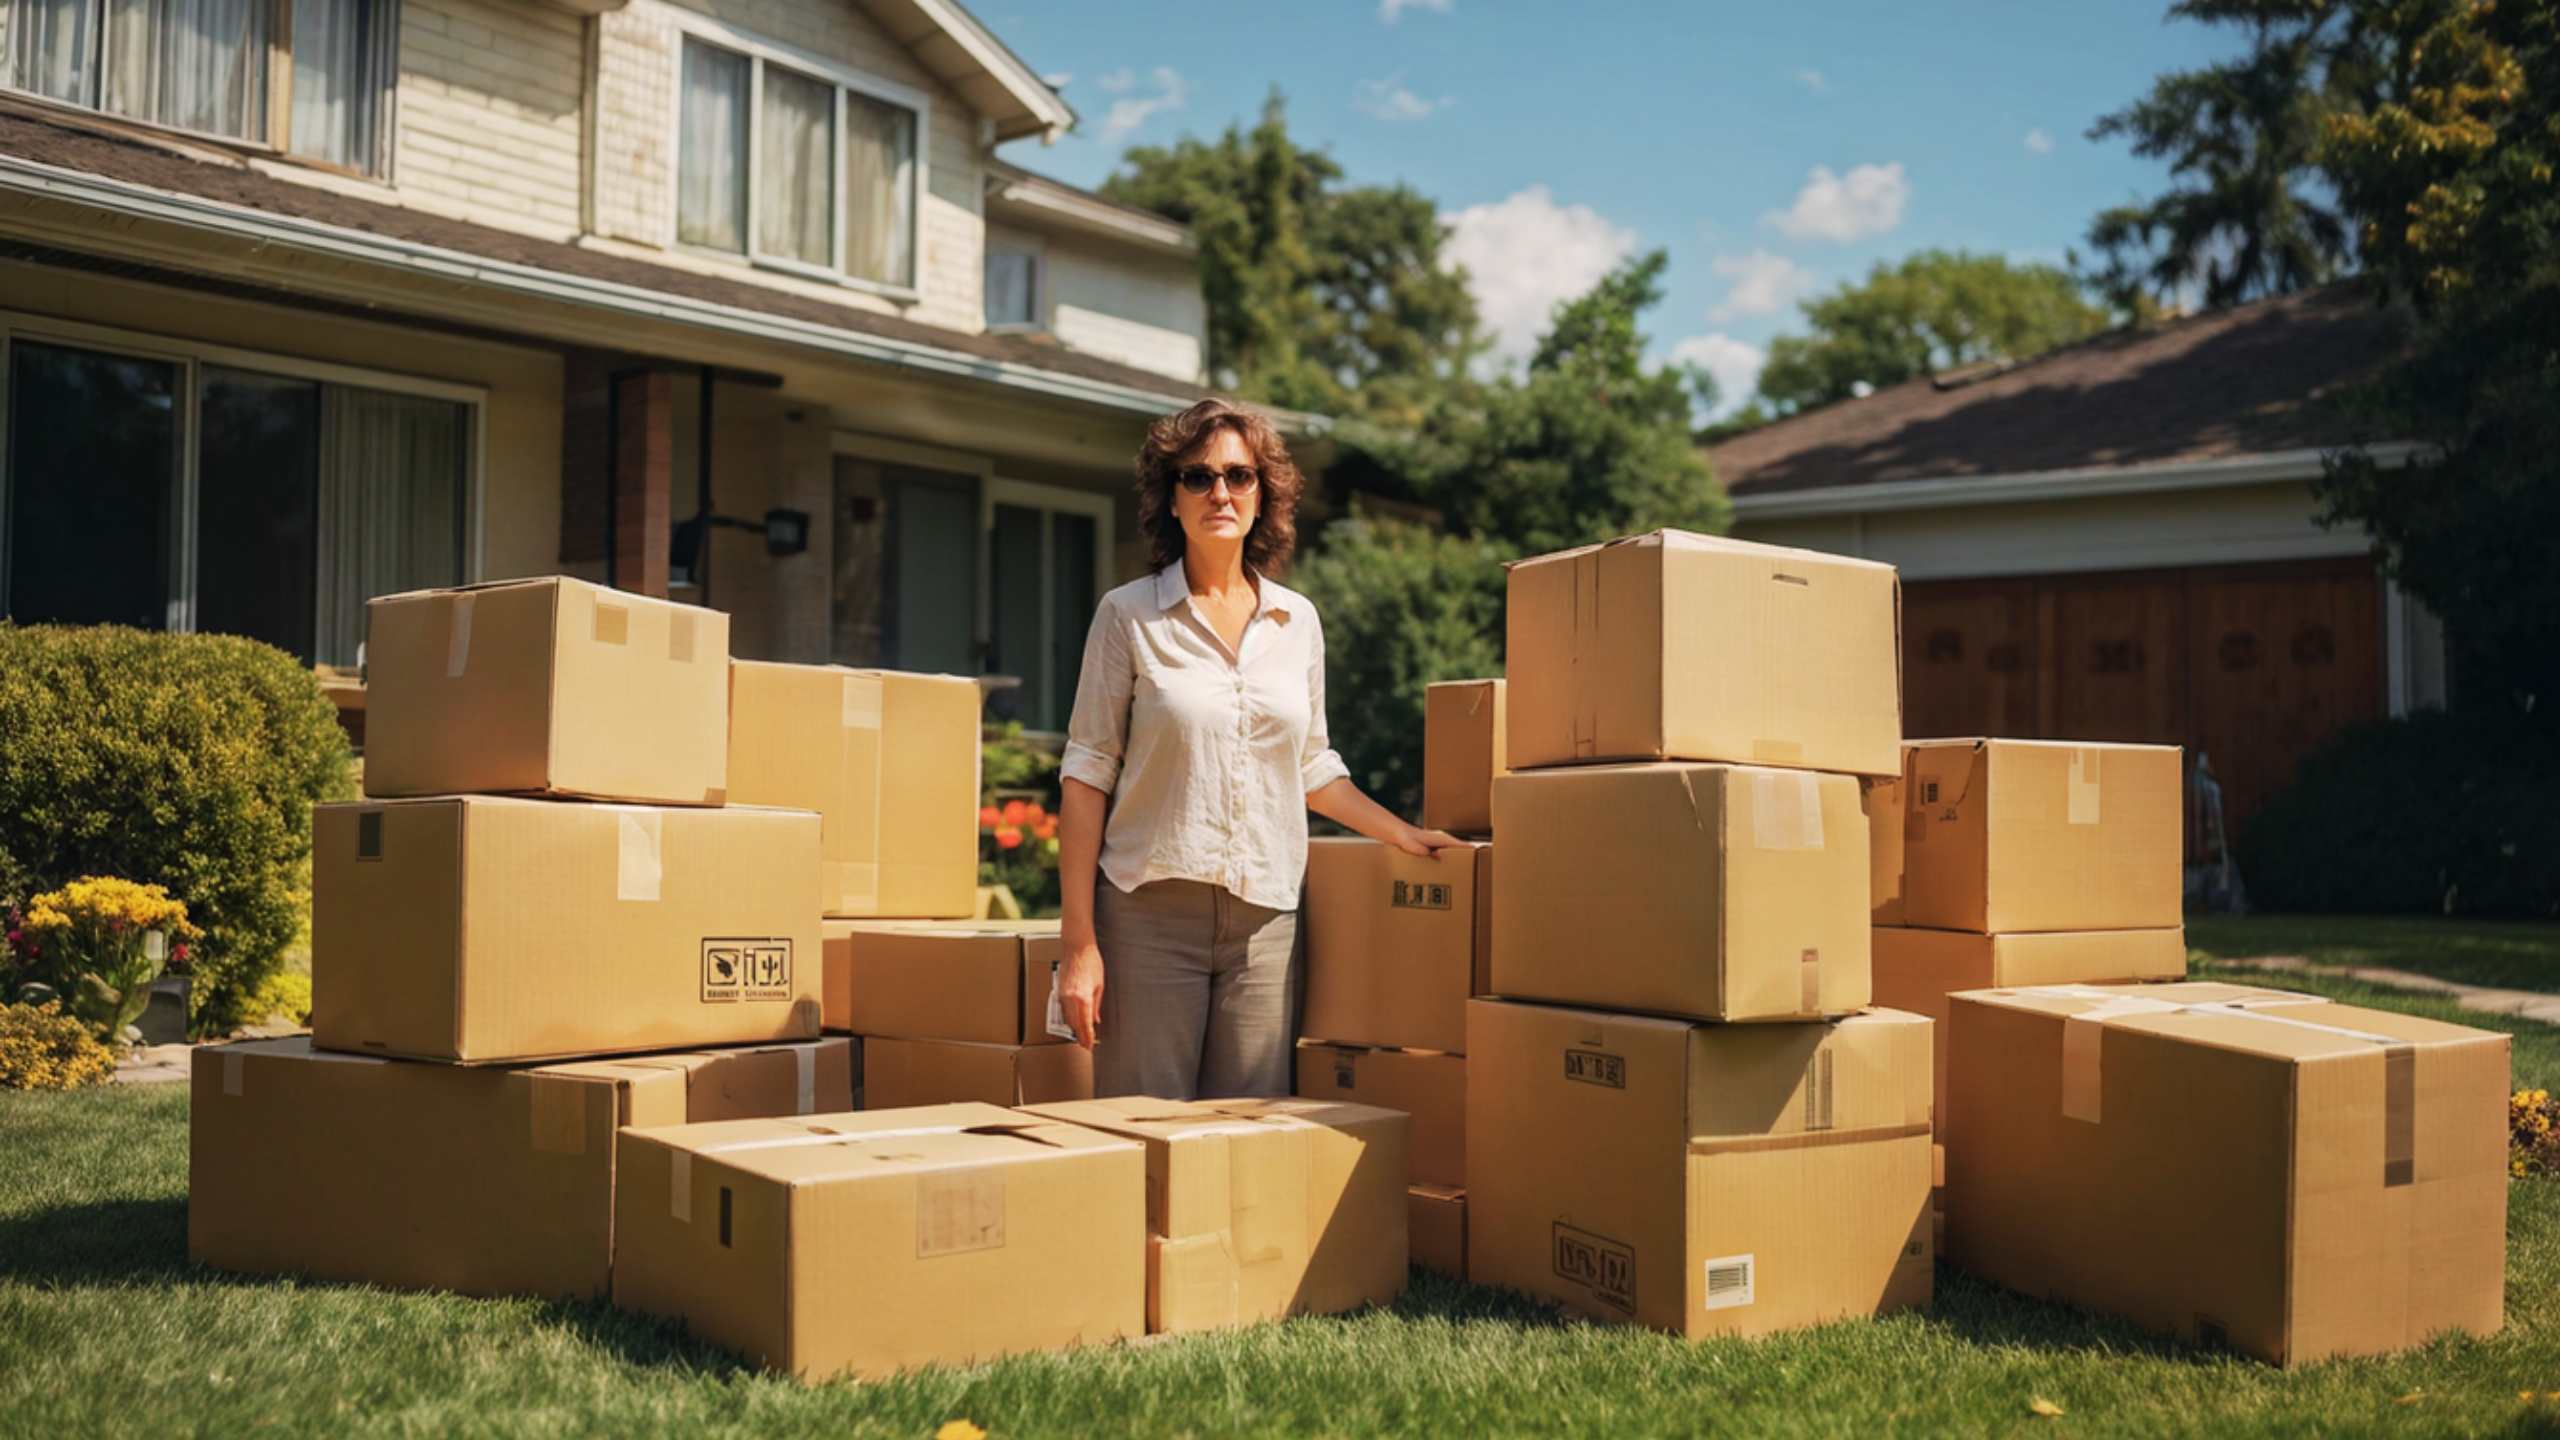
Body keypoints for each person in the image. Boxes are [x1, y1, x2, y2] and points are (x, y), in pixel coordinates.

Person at [1053, 398, 1466, 1100]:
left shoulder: (1296, 621)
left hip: (1267, 926)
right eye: (1198, 476)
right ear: (1171, 499)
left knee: (1246, 1147)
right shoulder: (1128, 616)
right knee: (1145, 1139)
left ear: (1262, 495)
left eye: (1240, 476)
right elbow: (1086, 775)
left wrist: (1401, 833)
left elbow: (1313, 766)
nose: (1220, 492)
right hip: (1149, 917)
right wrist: (1079, 947)